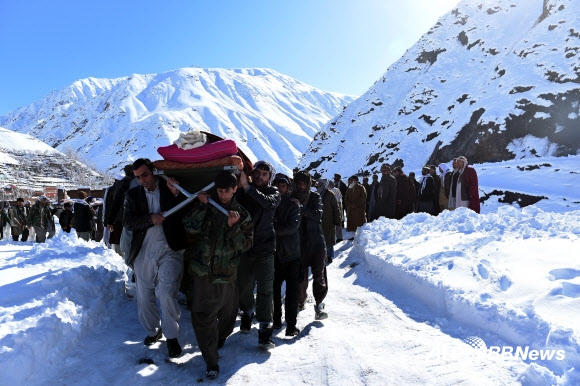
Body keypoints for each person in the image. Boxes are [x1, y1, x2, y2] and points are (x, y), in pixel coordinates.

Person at [182, 171, 253, 380]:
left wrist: (233, 228)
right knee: (203, 318)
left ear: (235, 189)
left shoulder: (242, 215)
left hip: (227, 274)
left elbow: (245, 245)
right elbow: (189, 226)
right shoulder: (209, 207)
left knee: (228, 318)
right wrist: (202, 206)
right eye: (220, 191)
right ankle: (211, 361)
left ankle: (218, 340)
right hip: (203, 272)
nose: (222, 195)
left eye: (226, 191)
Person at [123, 158, 188, 358]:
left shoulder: (171, 187)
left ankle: (171, 337)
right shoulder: (133, 195)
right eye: (138, 177)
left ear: (154, 171)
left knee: (167, 291)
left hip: (170, 249)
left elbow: (187, 212)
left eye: (145, 175)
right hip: (143, 250)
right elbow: (128, 221)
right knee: (144, 296)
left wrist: (177, 194)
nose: (142, 180)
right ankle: (153, 330)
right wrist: (150, 219)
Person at [235, 160, 280, 349]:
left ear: (270, 177)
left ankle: (264, 331)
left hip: (265, 248)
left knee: (265, 289)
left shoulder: (273, 193)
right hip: (245, 248)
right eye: (258, 172)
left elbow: (266, 204)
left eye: (265, 173)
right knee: (243, 286)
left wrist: (246, 186)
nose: (260, 176)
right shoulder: (241, 191)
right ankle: (247, 311)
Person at [293, 170, 328, 321]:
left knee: (319, 275)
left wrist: (301, 208)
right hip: (299, 244)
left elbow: (317, 215)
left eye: (304, 184)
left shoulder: (315, 197)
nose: (301, 187)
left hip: (316, 243)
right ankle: (301, 301)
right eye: (299, 183)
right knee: (300, 278)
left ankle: (319, 304)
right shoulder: (291, 197)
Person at [272, 173, 301, 336]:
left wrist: (272, 229)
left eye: (283, 185)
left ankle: (291, 325)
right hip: (275, 254)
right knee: (274, 291)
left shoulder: (293, 205)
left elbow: (292, 227)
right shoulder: (269, 203)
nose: (279, 188)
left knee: (292, 292)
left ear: (288, 188)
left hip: (292, 255)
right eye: (277, 185)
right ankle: (276, 320)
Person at [316, 178, 341, 264]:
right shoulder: (316, 194)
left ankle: (329, 256)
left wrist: (338, 222)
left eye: (319, 183)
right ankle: (321, 256)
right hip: (318, 220)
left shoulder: (330, 194)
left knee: (329, 239)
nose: (317, 184)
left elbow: (335, 208)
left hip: (328, 221)